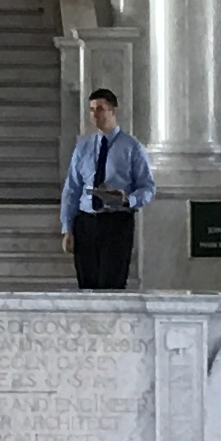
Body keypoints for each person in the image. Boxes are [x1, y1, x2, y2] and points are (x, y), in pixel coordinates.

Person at [61, 87, 156, 292]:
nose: (95, 115)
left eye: (100, 109)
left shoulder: (131, 147)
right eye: (92, 109)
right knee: (87, 283)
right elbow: (72, 188)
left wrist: (128, 200)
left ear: (112, 111)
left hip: (116, 221)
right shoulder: (83, 146)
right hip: (86, 221)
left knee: (111, 283)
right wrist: (67, 227)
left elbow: (147, 186)